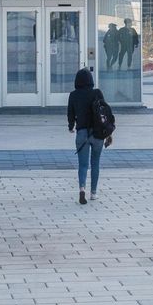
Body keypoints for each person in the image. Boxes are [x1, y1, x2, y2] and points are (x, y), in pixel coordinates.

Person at [67, 68, 113, 205]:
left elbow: (70, 114)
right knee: (95, 163)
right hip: (98, 134)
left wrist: (71, 126)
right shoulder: (97, 93)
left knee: (83, 165)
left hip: (82, 133)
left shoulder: (73, 95)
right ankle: (93, 193)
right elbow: (104, 113)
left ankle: (82, 189)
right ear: (91, 81)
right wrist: (109, 133)